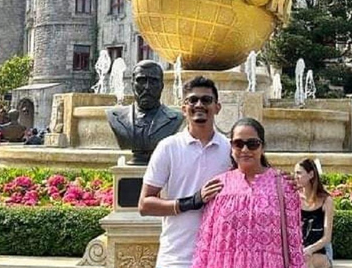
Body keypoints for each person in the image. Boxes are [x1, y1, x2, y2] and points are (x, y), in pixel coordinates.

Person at [139, 76, 230, 268]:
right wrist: (192, 202)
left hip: (220, 258)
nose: (199, 105)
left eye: (206, 100)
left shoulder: (230, 149)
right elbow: (145, 204)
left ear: (217, 107)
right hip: (176, 258)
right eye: (192, 100)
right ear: (183, 108)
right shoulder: (168, 147)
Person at [191, 117, 304, 268]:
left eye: (252, 144)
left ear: (262, 147)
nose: (245, 150)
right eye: (238, 144)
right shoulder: (218, 186)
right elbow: (205, 243)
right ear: (231, 148)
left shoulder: (284, 186)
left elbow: (295, 244)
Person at [106, 60, 184, 165]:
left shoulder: (176, 118)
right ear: (132, 84)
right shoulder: (115, 117)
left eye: (153, 81)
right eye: (141, 80)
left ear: (161, 86)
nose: (147, 87)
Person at [296, 159, 334, 268]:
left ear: (311, 174)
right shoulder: (294, 198)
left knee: (306, 261)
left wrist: (309, 250)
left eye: (299, 173)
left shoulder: (326, 200)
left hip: (321, 250)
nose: (295, 176)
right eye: (295, 173)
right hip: (299, 249)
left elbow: (327, 238)